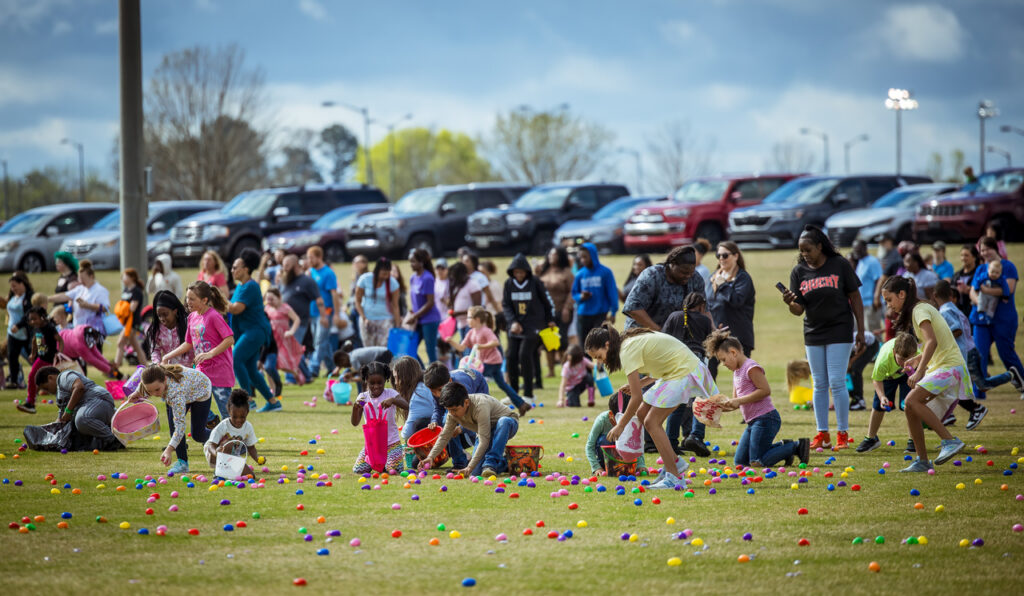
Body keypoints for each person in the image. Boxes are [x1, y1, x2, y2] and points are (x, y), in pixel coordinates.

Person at [585, 322, 717, 489]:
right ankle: (673, 464)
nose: (600, 361)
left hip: (684, 371)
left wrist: (621, 426)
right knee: (642, 414)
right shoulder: (626, 345)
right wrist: (642, 382)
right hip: (674, 372)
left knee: (651, 422)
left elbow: (636, 397)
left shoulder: (626, 350)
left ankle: (675, 477)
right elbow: (660, 363)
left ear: (607, 345)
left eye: (598, 356)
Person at [781, 225, 865, 451]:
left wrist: (861, 331)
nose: (805, 254)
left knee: (837, 381)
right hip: (813, 331)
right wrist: (791, 302)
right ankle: (822, 434)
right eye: (801, 250)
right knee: (819, 383)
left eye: (808, 249)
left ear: (820, 246)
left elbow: (855, 296)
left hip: (840, 329)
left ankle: (843, 434)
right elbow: (799, 310)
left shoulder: (839, 265)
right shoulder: (799, 271)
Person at [880, 276, 968, 471]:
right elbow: (934, 344)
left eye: (889, 299)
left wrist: (919, 371)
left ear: (902, 294)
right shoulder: (918, 310)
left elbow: (932, 342)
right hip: (944, 367)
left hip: (949, 367)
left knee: (910, 401)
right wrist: (917, 360)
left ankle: (949, 441)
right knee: (910, 407)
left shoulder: (919, 310)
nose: (889, 305)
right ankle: (922, 460)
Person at [705, 329, 810, 467]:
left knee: (757, 461)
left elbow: (765, 391)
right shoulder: (736, 372)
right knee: (740, 462)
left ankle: (797, 446)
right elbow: (735, 403)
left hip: (766, 419)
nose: (723, 364)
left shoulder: (751, 367)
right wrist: (716, 408)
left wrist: (738, 401)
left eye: (723, 359)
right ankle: (784, 447)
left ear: (733, 352)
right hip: (753, 422)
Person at [160, 281, 235, 417]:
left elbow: (229, 339)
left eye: (192, 299)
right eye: (187, 298)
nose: (188, 301)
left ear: (204, 300)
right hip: (201, 371)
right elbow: (188, 343)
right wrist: (167, 356)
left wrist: (210, 354)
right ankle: (212, 423)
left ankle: (236, 437)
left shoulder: (213, 316)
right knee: (192, 403)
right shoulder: (192, 317)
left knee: (227, 413)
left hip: (220, 372)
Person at [418, 381, 520, 477]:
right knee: (476, 472)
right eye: (449, 410)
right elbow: (444, 436)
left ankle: (491, 463)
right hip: (485, 431)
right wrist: (431, 457)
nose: (452, 413)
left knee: (503, 421)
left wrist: (469, 466)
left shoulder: (480, 406)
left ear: (466, 402)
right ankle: (508, 462)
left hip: (507, 425)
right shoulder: (452, 414)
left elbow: (484, 439)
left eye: (454, 410)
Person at [127, 363, 214, 475]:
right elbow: (145, 384)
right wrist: (137, 393)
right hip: (182, 389)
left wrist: (168, 450)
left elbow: (180, 427)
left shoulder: (175, 393)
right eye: (150, 391)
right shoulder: (156, 376)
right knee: (172, 426)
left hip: (201, 389)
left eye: (157, 390)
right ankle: (182, 463)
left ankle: (222, 437)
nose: (155, 394)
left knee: (198, 434)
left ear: (165, 379)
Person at [447, 306, 529, 415]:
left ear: (477, 319)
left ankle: (480, 408)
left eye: (469, 317)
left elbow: (495, 342)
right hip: (485, 363)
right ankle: (522, 404)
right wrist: (451, 341)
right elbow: (462, 347)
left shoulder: (485, 331)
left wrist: (481, 346)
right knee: (502, 384)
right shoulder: (471, 332)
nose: (467, 320)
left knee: (475, 379)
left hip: (492, 361)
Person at [934, 280, 994, 426]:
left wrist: (941, 339)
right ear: (950, 294)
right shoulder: (954, 309)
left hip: (960, 354)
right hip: (966, 351)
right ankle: (949, 415)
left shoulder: (945, 312)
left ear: (934, 295)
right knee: (953, 388)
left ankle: (976, 409)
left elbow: (957, 330)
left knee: (955, 388)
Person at [661, 291, 714, 456]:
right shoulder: (704, 320)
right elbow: (709, 343)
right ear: (701, 306)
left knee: (677, 404)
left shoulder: (674, 316)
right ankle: (696, 436)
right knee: (702, 401)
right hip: (696, 362)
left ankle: (670, 441)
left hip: (676, 363)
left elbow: (663, 339)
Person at [970, 237, 1024, 397]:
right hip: (981, 319)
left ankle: (1022, 383)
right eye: (982, 250)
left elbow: (1009, 289)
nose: (984, 253)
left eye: (987, 249)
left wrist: (985, 292)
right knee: (979, 354)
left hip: (1003, 318)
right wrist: (978, 301)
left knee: (1006, 353)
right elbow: (973, 291)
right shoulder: (980, 269)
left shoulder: (1008, 266)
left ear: (996, 248)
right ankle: (979, 393)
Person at [226, 249, 277, 411]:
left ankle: (247, 400)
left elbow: (236, 309)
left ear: (245, 269)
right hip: (249, 332)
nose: (232, 270)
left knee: (235, 359)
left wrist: (219, 298)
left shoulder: (250, 286)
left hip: (255, 331)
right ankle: (273, 402)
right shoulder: (241, 287)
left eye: (236, 267)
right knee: (251, 370)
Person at [502, 253, 557, 402]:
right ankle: (513, 393)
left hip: (534, 325)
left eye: (521, 272)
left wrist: (550, 319)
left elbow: (547, 302)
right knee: (511, 356)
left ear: (526, 271)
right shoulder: (509, 284)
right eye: (516, 272)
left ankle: (528, 394)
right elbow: (506, 305)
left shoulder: (535, 282)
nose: (519, 275)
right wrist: (512, 322)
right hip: (515, 327)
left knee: (524, 355)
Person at [34, 365, 120, 450]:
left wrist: (68, 410)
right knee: (77, 425)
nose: (47, 392)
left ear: (50, 378)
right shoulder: (59, 394)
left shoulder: (63, 377)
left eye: (46, 388)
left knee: (82, 419)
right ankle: (108, 436)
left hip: (100, 401)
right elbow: (61, 420)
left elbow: (79, 388)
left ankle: (113, 440)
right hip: (93, 408)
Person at [422, 362, 489, 470]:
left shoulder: (463, 389)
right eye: (433, 392)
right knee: (447, 422)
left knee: (475, 421)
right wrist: (434, 421)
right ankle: (459, 462)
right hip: (462, 380)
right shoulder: (436, 388)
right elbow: (438, 408)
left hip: (478, 386)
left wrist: (461, 429)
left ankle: (478, 453)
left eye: (439, 390)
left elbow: (469, 413)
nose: (437, 395)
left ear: (449, 381)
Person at [622, 246, 707, 330]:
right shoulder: (652, 275)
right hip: (642, 333)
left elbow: (704, 309)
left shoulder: (695, 278)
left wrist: (713, 331)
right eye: (683, 272)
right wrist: (659, 331)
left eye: (691, 272)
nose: (688, 276)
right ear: (672, 264)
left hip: (673, 336)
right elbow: (632, 308)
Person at [706, 241, 755, 379]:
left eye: (725, 255)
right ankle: (709, 401)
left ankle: (743, 401)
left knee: (742, 376)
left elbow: (737, 301)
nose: (721, 258)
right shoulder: (713, 277)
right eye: (718, 255)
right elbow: (708, 304)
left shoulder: (743, 278)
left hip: (738, 335)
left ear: (735, 256)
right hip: (715, 335)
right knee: (708, 372)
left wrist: (723, 284)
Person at [854, 336, 912, 453]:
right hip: (888, 375)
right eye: (901, 359)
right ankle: (871, 438)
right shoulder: (883, 360)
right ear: (894, 352)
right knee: (878, 406)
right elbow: (877, 380)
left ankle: (913, 440)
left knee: (909, 406)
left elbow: (924, 368)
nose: (904, 363)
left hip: (909, 374)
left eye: (908, 359)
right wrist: (882, 397)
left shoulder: (916, 354)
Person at [350, 361, 408, 473]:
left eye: (380, 383)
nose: (376, 386)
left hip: (391, 444)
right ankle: (377, 462)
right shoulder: (363, 398)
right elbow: (355, 422)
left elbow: (406, 406)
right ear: (366, 380)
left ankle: (384, 462)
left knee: (393, 470)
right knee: (358, 470)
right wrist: (355, 408)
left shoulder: (391, 394)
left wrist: (394, 401)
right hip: (372, 446)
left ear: (385, 380)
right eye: (372, 383)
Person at [391, 356, 443, 468]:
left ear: (405, 378)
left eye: (396, 378)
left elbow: (407, 433)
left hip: (449, 433)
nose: (395, 383)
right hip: (450, 428)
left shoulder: (418, 395)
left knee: (419, 424)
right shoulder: (423, 385)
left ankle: (455, 454)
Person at [278, 254, 323, 380]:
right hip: (283, 321)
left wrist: (323, 317)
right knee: (293, 350)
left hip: (300, 321)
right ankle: (307, 376)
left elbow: (318, 299)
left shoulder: (307, 281)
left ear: (296, 265)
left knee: (291, 350)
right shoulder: (284, 280)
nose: (284, 269)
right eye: (283, 266)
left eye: (287, 266)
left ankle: (291, 378)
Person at [305, 247, 344, 377]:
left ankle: (313, 369)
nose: (309, 260)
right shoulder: (310, 272)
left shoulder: (328, 273)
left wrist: (336, 314)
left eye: (311, 258)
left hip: (326, 312)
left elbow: (334, 294)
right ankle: (332, 367)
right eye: (308, 258)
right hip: (313, 312)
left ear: (319, 257)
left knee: (319, 341)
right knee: (324, 342)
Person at [204, 389, 261, 478]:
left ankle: (226, 470)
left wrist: (257, 458)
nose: (238, 420)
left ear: (247, 412)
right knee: (230, 443)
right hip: (214, 456)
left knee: (251, 476)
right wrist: (216, 452)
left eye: (242, 417)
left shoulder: (248, 427)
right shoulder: (223, 426)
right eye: (234, 417)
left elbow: (251, 447)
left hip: (231, 457)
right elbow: (211, 445)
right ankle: (217, 473)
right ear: (229, 411)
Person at [585, 391, 646, 474]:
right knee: (604, 439)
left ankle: (626, 466)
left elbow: (636, 443)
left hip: (627, 459)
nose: (626, 421)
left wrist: (640, 465)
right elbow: (590, 446)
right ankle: (607, 466)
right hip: (607, 459)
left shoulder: (633, 421)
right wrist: (596, 467)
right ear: (611, 414)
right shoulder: (602, 420)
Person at [17, 307, 63, 414]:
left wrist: (59, 353)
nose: (32, 321)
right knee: (32, 376)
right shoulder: (36, 328)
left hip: (50, 360)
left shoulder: (49, 328)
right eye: (30, 319)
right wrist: (33, 354)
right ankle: (31, 403)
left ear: (42, 317)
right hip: (41, 358)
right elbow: (34, 340)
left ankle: (32, 403)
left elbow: (60, 340)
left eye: (34, 319)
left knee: (53, 383)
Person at [571, 242, 618, 342]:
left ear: (592, 255)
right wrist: (581, 297)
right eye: (581, 257)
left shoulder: (605, 272)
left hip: (600, 314)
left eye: (585, 257)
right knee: (584, 345)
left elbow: (612, 293)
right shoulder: (580, 274)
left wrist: (613, 311)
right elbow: (574, 293)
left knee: (600, 344)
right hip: (583, 314)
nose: (583, 260)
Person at [539, 247, 575, 377]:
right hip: (547, 313)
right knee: (548, 342)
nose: (551, 257)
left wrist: (567, 308)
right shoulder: (543, 272)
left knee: (562, 342)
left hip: (562, 311)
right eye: (550, 254)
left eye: (555, 255)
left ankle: (565, 370)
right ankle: (551, 371)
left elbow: (573, 292)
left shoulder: (566, 273)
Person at [51, 306, 114, 378]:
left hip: (75, 357)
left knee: (81, 373)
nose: (54, 319)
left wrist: (108, 364)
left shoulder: (79, 330)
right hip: (62, 356)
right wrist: (108, 369)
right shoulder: (56, 330)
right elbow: (92, 359)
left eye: (55, 317)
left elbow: (95, 353)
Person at [263, 287, 304, 396]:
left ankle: (295, 372)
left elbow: (296, 319)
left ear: (279, 298)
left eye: (272, 299)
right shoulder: (266, 308)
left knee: (282, 364)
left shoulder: (285, 308)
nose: (270, 301)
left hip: (283, 340)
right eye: (268, 299)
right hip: (271, 340)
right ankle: (272, 389)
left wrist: (291, 331)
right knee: (269, 366)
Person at [355, 257, 401, 348]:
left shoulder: (393, 283)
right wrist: (364, 318)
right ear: (377, 271)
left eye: (388, 273)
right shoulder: (365, 279)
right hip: (367, 319)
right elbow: (357, 300)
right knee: (369, 349)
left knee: (383, 350)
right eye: (383, 273)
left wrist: (397, 324)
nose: (386, 276)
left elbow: (395, 305)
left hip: (385, 319)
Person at [406, 249, 442, 364]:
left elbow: (430, 302)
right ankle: (422, 373)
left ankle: (437, 378)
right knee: (410, 348)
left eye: (413, 262)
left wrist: (415, 315)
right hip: (418, 320)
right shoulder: (413, 278)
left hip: (429, 320)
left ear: (421, 262)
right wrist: (412, 312)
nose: (411, 264)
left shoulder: (427, 278)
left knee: (430, 350)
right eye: (410, 262)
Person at [145, 290, 193, 368]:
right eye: (159, 315)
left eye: (165, 314)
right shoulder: (157, 329)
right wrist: (157, 363)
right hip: (170, 371)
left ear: (175, 311)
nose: (162, 318)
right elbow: (155, 350)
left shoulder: (188, 323)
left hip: (189, 370)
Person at [113, 268, 150, 370]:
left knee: (120, 342)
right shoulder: (126, 290)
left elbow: (132, 308)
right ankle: (146, 366)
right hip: (126, 323)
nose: (123, 278)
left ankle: (116, 365)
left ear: (132, 277)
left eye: (125, 276)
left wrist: (123, 308)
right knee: (136, 346)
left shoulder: (137, 291)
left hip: (133, 323)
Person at [6, 271, 33, 389]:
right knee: (12, 356)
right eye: (11, 286)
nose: (13, 288)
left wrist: (19, 325)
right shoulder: (13, 295)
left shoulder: (29, 297)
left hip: (25, 333)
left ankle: (42, 380)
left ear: (22, 284)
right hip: (12, 333)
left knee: (32, 357)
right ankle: (14, 381)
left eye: (14, 286)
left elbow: (29, 315)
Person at [851, 239, 884, 336]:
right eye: (855, 249)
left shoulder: (872, 261)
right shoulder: (860, 262)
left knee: (873, 332)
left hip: (870, 304)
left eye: (858, 249)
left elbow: (879, 280)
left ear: (865, 248)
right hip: (861, 304)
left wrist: (876, 298)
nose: (856, 251)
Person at [446, 262, 482, 342]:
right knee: (463, 348)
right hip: (460, 323)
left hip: (471, 324)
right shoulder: (458, 286)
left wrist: (459, 313)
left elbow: (477, 308)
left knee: (468, 351)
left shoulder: (473, 285)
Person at [344, 254, 370, 349]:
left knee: (361, 334)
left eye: (357, 262)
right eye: (354, 262)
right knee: (354, 334)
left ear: (364, 264)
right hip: (354, 309)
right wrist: (346, 305)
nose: (354, 264)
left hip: (362, 310)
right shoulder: (355, 277)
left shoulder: (367, 278)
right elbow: (352, 294)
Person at [954, 244, 982, 317]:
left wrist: (969, 290)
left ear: (974, 258)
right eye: (962, 255)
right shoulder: (956, 275)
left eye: (966, 255)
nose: (963, 258)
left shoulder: (980, 274)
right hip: (958, 314)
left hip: (974, 313)